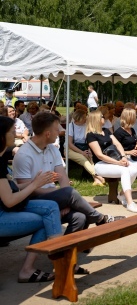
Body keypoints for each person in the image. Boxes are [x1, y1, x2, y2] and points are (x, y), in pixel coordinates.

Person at [13, 112, 122, 236]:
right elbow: (27, 190)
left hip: (53, 196)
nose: (61, 131)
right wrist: (63, 197)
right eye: (57, 129)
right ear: (47, 133)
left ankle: (64, 252)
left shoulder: (52, 148)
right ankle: (100, 219)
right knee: (69, 193)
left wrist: (64, 200)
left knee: (80, 217)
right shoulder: (23, 155)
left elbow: (63, 177)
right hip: (33, 202)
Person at [0, 115, 62, 283]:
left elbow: (8, 189)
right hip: (3, 214)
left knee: (50, 209)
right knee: (47, 217)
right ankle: (58, 262)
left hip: (6, 211)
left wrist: (33, 183)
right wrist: (34, 185)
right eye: (13, 132)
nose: (18, 134)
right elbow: (9, 201)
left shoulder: (1, 158)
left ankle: (37, 267)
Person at [86, 110, 137, 213]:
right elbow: (99, 155)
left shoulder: (106, 131)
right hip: (101, 164)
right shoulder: (90, 135)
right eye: (102, 116)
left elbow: (118, 144)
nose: (104, 118)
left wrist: (123, 156)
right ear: (96, 119)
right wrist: (118, 163)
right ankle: (130, 203)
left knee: (133, 169)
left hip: (115, 160)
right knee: (125, 171)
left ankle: (121, 195)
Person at [66, 109, 105, 187]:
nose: (86, 118)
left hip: (84, 147)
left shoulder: (86, 125)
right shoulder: (71, 126)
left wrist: (89, 150)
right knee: (82, 159)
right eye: (84, 117)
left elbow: (89, 140)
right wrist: (82, 152)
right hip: (70, 149)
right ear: (79, 118)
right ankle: (98, 176)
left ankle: (96, 180)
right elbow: (70, 144)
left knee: (91, 158)